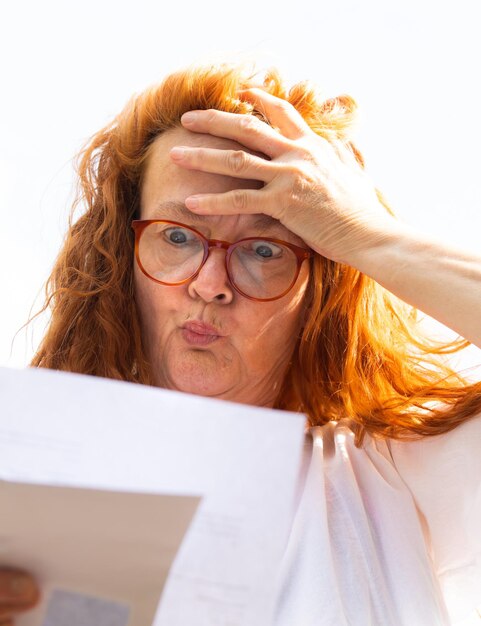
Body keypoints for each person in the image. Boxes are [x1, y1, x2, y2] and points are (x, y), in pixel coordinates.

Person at [1, 62, 480, 625]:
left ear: (321, 281)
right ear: (120, 255)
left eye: (263, 249)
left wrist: (365, 232)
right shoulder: (22, 484)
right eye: (177, 236)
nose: (209, 284)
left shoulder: (391, 475)